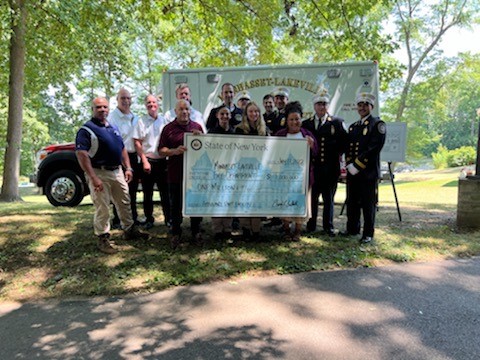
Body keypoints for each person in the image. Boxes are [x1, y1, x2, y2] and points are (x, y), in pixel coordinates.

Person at [75, 97, 147, 254]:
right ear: (93, 109)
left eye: (105, 107)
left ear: (109, 108)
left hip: (117, 171)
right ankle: (103, 237)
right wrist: (93, 177)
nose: (102, 110)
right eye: (98, 107)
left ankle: (129, 230)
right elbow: (82, 155)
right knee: (103, 206)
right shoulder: (86, 130)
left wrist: (128, 168)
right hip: (99, 172)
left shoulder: (112, 127)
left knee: (124, 202)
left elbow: (121, 149)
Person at [158, 99, 204, 249]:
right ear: (175, 111)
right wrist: (174, 151)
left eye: (187, 109)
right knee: (175, 206)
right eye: (181, 109)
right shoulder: (168, 129)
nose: (184, 112)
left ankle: (196, 232)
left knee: (195, 205)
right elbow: (161, 150)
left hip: (194, 175)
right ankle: (176, 233)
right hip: (175, 173)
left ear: (190, 111)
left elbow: (205, 150)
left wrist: (201, 139)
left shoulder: (197, 127)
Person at [341, 93, 386, 244]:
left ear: (371, 107)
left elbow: (374, 149)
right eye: (360, 105)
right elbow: (348, 148)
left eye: (365, 105)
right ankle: (352, 228)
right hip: (353, 172)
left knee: (368, 204)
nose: (362, 108)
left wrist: (356, 165)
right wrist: (348, 165)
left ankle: (368, 233)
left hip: (367, 173)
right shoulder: (354, 126)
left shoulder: (377, 124)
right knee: (352, 202)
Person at [302, 93, 347, 236]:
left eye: (324, 104)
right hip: (313, 168)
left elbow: (344, 143)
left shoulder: (337, 122)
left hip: (330, 168)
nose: (322, 107)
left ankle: (328, 226)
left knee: (329, 199)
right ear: (314, 106)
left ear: (328, 106)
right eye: (319, 104)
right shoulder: (306, 123)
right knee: (313, 198)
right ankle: (311, 224)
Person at [274, 101, 318, 241]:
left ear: (301, 119)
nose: (294, 122)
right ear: (286, 121)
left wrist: (312, 147)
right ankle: (286, 230)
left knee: (300, 204)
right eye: (291, 119)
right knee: (285, 204)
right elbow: (273, 155)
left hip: (303, 178)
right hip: (285, 178)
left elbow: (316, 154)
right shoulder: (280, 135)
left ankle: (298, 231)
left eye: (297, 119)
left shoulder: (307, 135)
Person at [133, 94, 170, 230]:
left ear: (158, 104)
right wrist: (144, 161)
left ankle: (169, 219)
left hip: (162, 162)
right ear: (145, 105)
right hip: (148, 161)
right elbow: (137, 142)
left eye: (154, 102)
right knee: (147, 193)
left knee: (165, 193)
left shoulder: (164, 121)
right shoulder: (141, 121)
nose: (151, 105)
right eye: (148, 102)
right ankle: (149, 219)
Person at [235, 101, 268, 241]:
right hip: (243, 170)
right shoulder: (239, 130)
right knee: (244, 200)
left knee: (256, 199)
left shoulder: (265, 130)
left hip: (258, 171)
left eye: (256, 111)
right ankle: (246, 229)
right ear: (246, 114)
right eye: (251, 111)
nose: (254, 114)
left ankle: (256, 230)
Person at [108, 88, 140, 227]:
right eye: (123, 98)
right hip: (118, 157)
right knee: (119, 191)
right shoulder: (112, 117)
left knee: (132, 191)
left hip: (133, 157)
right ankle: (117, 219)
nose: (126, 101)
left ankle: (132, 217)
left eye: (128, 98)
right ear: (117, 100)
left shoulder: (135, 117)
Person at [208, 106, 234, 242]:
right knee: (216, 200)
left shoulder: (234, 132)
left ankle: (228, 229)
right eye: (222, 114)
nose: (225, 116)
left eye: (227, 114)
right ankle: (217, 229)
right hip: (216, 171)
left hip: (231, 172)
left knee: (228, 199)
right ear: (217, 116)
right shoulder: (211, 133)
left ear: (230, 116)